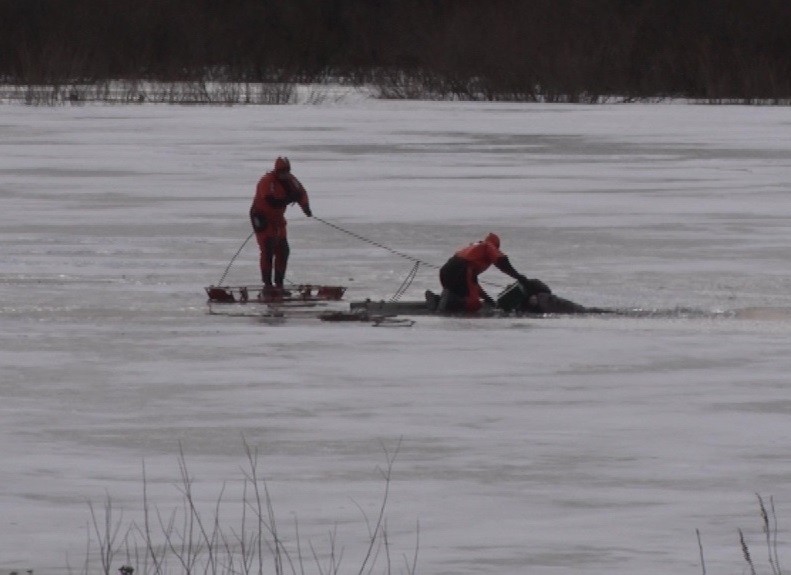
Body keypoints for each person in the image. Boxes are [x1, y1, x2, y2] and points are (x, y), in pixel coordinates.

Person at [427, 233, 543, 313]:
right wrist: (518, 276)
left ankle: (439, 301)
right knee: (474, 304)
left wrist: (487, 299)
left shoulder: (474, 250)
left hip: (447, 270)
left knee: (461, 294)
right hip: (461, 269)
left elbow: (473, 283)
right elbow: (502, 262)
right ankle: (444, 302)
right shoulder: (488, 246)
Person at [249, 157, 312, 293]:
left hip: (278, 220)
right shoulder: (266, 182)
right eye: (282, 171)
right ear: (276, 171)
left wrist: (306, 207)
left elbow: (301, 193)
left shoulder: (291, 180)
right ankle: (267, 284)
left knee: (283, 250)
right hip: (262, 218)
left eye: (287, 171)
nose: (285, 174)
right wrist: (289, 199)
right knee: (268, 249)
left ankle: (279, 283)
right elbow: (271, 201)